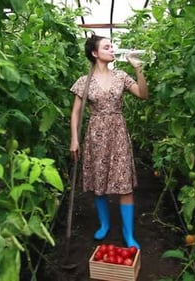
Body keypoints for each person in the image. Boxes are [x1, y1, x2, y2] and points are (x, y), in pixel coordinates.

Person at [69, 34, 149, 249]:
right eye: (107, 47)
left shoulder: (121, 76)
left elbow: (143, 94)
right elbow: (76, 113)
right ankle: (104, 225)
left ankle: (128, 233)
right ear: (95, 53)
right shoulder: (83, 82)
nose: (112, 49)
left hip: (118, 131)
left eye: (112, 46)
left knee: (124, 185)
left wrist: (138, 69)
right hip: (96, 134)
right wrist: (74, 140)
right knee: (99, 182)